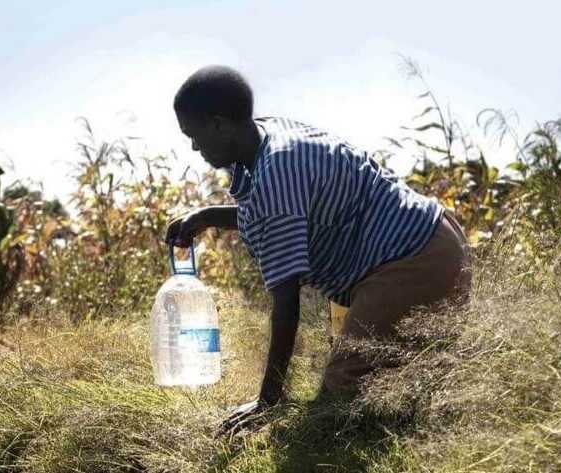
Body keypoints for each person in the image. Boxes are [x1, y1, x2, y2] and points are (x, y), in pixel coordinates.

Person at [165, 65, 471, 436]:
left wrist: (267, 401)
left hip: (411, 257)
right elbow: (282, 208)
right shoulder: (267, 135)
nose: (195, 147)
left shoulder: (276, 173)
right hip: (430, 235)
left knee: (340, 393)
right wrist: (210, 215)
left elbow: (286, 303)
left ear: (217, 124)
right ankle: (432, 415)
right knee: (397, 364)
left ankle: (417, 436)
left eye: (193, 136)